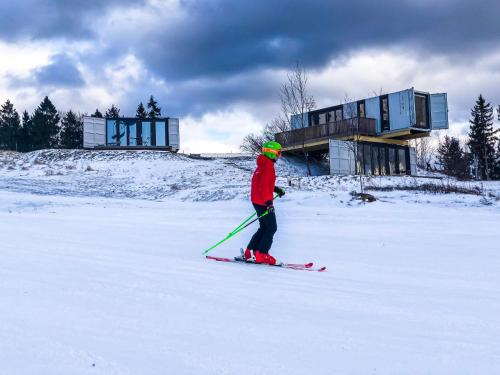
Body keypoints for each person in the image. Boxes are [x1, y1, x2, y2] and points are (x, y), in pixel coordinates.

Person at [244, 141, 285, 265]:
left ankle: (250, 252)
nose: (279, 156)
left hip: (257, 201)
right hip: (263, 202)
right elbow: (263, 187)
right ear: (271, 153)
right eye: (278, 153)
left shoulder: (262, 164)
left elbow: (264, 183)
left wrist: (276, 189)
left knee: (264, 227)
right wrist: (269, 203)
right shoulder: (268, 166)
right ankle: (262, 254)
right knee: (272, 227)